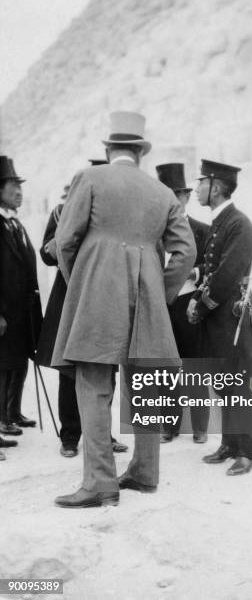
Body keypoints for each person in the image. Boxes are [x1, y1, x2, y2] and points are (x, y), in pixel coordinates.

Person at [52, 112, 196, 508]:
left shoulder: (90, 179)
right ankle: (145, 472)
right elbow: (186, 252)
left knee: (94, 385)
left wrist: (80, 281)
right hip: (148, 294)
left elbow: (65, 241)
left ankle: (100, 483)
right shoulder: (162, 192)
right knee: (146, 387)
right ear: (140, 151)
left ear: (108, 148)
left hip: (97, 293)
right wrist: (161, 292)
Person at [37, 182, 128, 457]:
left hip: (104, 298)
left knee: (105, 367)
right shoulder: (62, 211)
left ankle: (101, 433)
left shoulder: (115, 215)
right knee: (69, 368)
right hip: (71, 300)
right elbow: (46, 254)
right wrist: (54, 247)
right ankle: (69, 436)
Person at [187, 159, 252, 476]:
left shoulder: (238, 224)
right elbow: (211, 269)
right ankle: (231, 444)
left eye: (201, 182)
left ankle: (248, 451)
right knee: (222, 382)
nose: (196, 188)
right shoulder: (221, 221)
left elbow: (227, 275)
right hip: (218, 318)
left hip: (230, 318)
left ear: (215, 187)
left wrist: (199, 305)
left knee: (236, 383)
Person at [156, 163, 210, 443]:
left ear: (186, 197)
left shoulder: (202, 230)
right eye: (166, 194)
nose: (172, 200)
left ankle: (200, 426)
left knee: (195, 366)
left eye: (178, 194)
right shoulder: (151, 230)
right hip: (160, 307)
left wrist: (197, 271)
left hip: (189, 304)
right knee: (165, 367)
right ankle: (169, 424)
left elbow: (214, 265)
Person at [0, 156, 42, 460]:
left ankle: (11, 413)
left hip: (20, 311)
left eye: (19, 186)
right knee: (2, 367)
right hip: (3, 312)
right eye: (13, 185)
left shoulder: (14, 223)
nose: (19, 191)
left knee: (18, 362)